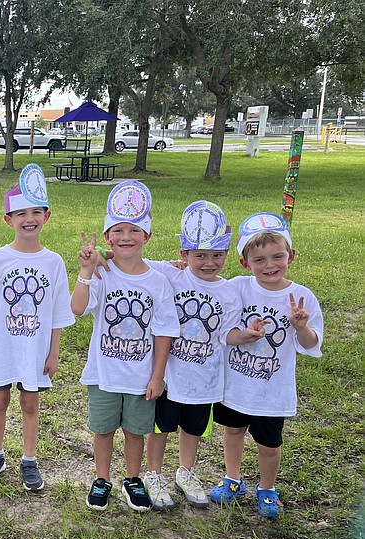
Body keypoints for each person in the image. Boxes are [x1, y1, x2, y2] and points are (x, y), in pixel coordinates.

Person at [141, 201, 265, 510]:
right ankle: (153, 474)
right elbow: (135, 263)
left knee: (193, 429)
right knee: (160, 427)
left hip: (205, 378)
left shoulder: (230, 292)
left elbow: (226, 334)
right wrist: (106, 255)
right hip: (169, 376)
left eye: (216, 256)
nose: (209, 263)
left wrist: (246, 336)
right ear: (184, 254)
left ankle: (185, 473)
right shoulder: (171, 275)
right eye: (200, 256)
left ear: (226, 256)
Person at [70, 180, 180, 512]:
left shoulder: (157, 283)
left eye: (134, 230)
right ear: (107, 237)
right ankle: (101, 479)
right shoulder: (101, 272)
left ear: (147, 236)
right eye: (118, 230)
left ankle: (132, 479)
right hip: (104, 373)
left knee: (135, 431)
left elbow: (164, 333)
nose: (126, 237)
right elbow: (77, 308)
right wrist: (86, 271)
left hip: (140, 376)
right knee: (103, 431)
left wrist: (158, 376)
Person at [210, 212, 323, 518]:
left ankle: (267, 488)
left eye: (277, 257)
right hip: (236, 385)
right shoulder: (237, 288)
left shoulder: (301, 297)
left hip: (272, 391)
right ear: (246, 263)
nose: (269, 265)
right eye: (259, 260)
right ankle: (232, 480)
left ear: (291, 256)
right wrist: (244, 335)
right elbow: (224, 330)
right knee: (232, 432)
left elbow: (312, 345)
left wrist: (300, 327)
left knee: (269, 446)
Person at [0, 164, 75, 492]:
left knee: (30, 403)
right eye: (20, 213)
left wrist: (53, 351)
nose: (28, 219)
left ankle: (29, 458)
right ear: (8, 219)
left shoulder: (54, 262)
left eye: (36, 212)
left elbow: (59, 311)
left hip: (35, 348)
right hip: (3, 345)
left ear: (47, 215)